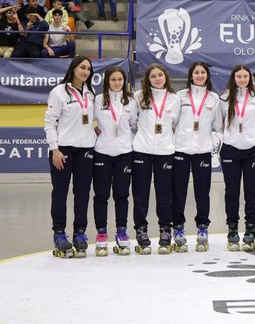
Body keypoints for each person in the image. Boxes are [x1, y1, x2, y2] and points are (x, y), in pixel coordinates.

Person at [45, 57, 96, 258]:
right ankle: (59, 233)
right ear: (73, 68)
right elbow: (50, 122)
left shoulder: (91, 93)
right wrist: (54, 149)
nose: (85, 71)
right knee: (60, 192)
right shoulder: (59, 92)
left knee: (82, 193)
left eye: (89, 69)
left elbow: (91, 119)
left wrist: (95, 129)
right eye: (82, 67)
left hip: (86, 150)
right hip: (63, 150)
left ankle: (79, 232)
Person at [171, 62, 222, 253]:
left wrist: (213, 147)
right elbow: (172, 121)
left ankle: (202, 227)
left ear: (207, 75)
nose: (200, 75)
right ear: (191, 76)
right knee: (179, 192)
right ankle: (178, 227)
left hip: (202, 150)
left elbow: (218, 126)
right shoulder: (180, 96)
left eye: (203, 72)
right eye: (196, 72)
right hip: (181, 150)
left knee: (202, 192)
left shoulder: (214, 98)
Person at [131, 64, 181, 255]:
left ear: (165, 77)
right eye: (153, 76)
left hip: (165, 151)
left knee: (164, 194)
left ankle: (165, 230)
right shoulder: (139, 97)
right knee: (141, 194)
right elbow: (132, 122)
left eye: (160, 75)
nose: (157, 79)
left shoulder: (174, 99)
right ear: (148, 79)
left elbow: (175, 123)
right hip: (141, 151)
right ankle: (141, 230)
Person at [91, 66, 137, 256]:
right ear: (107, 81)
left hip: (124, 153)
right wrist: (94, 129)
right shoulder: (98, 100)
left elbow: (134, 124)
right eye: (113, 79)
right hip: (102, 152)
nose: (117, 83)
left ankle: (121, 231)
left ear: (124, 81)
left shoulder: (131, 102)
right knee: (101, 195)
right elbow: (88, 121)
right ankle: (101, 232)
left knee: (122, 195)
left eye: (120, 79)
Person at [219, 65, 255, 251]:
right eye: (239, 76)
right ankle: (232, 228)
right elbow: (219, 121)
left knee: (252, 191)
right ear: (233, 77)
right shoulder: (224, 98)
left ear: (250, 78)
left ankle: (250, 227)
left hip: (253, 149)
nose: (242, 79)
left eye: (245, 76)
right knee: (232, 191)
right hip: (230, 149)